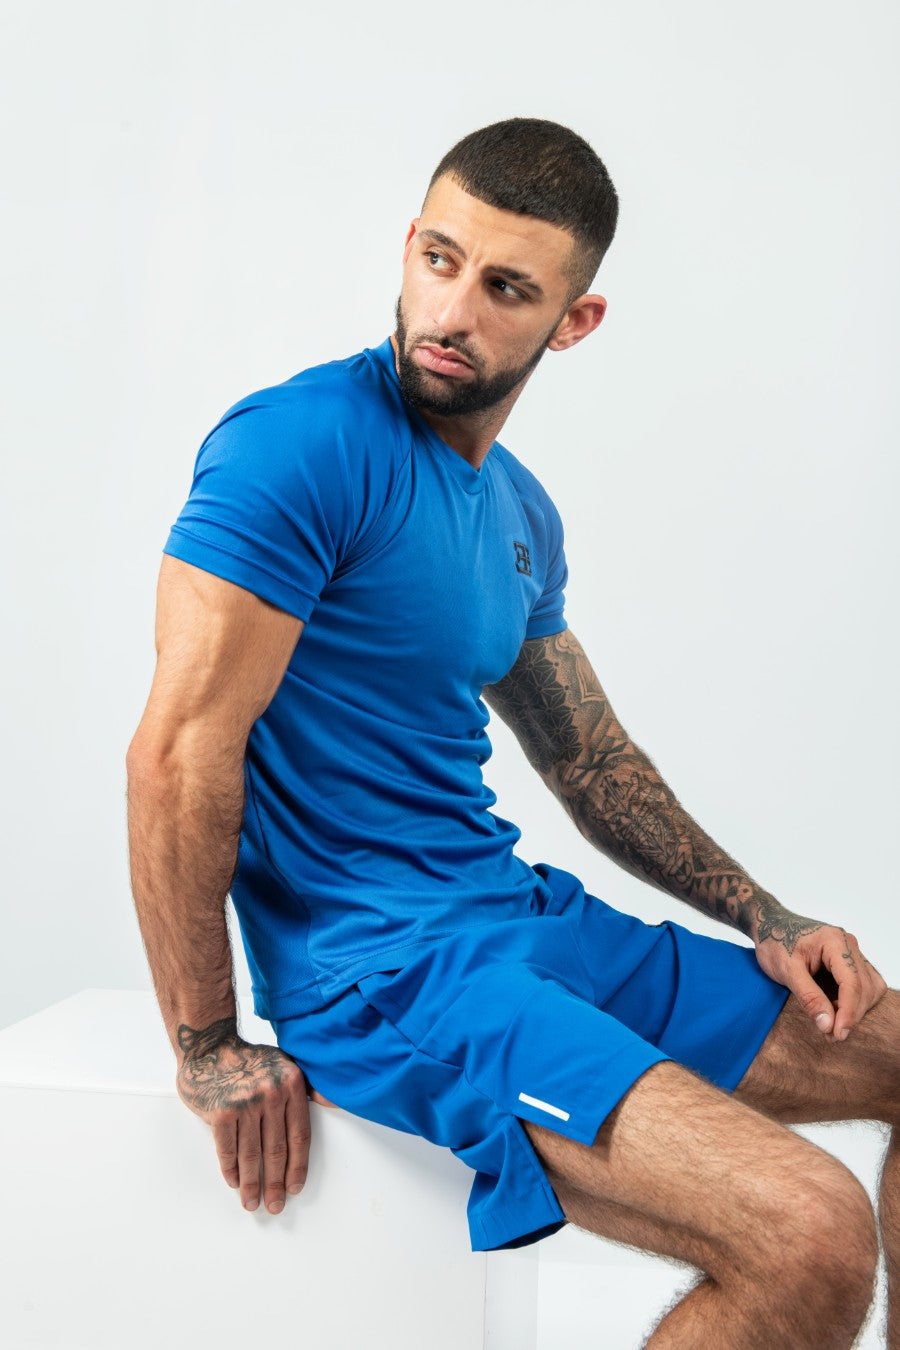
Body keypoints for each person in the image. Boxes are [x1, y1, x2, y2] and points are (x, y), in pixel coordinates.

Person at [126, 117, 898, 1347]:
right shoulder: (301, 446)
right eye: (438, 259)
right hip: (389, 971)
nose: (453, 309)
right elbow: (178, 751)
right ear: (408, 245)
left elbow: (590, 761)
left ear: (572, 321)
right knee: (807, 1232)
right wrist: (210, 1043)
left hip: (516, 920)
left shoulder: (518, 511)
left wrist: (770, 918)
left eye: (505, 288)